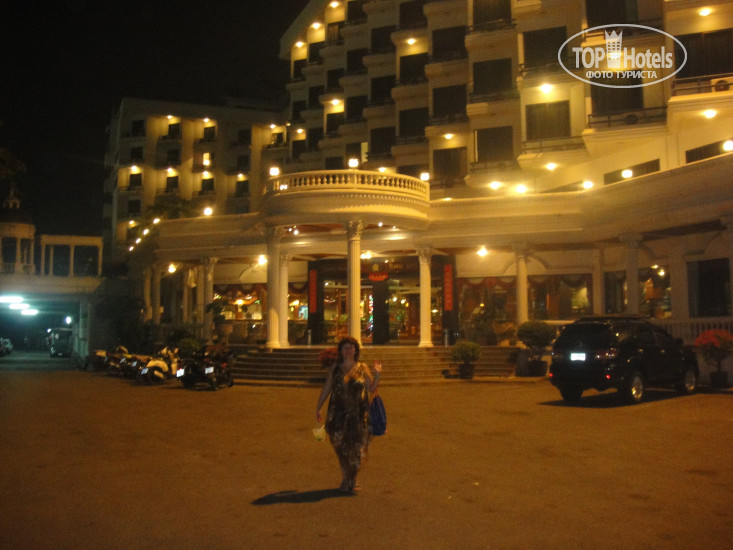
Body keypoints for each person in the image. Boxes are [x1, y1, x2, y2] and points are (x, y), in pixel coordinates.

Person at [315, 336, 382, 493]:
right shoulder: (335, 368)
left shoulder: (362, 367)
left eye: (351, 347)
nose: (348, 350)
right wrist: (318, 407)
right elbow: (327, 387)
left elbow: (371, 388)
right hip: (338, 415)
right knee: (341, 447)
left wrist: (378, 374)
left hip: (358, 415)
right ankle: (348, 478)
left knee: (357, 448)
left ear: (356, 350)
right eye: (345, 347)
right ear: (340, 351)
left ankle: (351, 480)